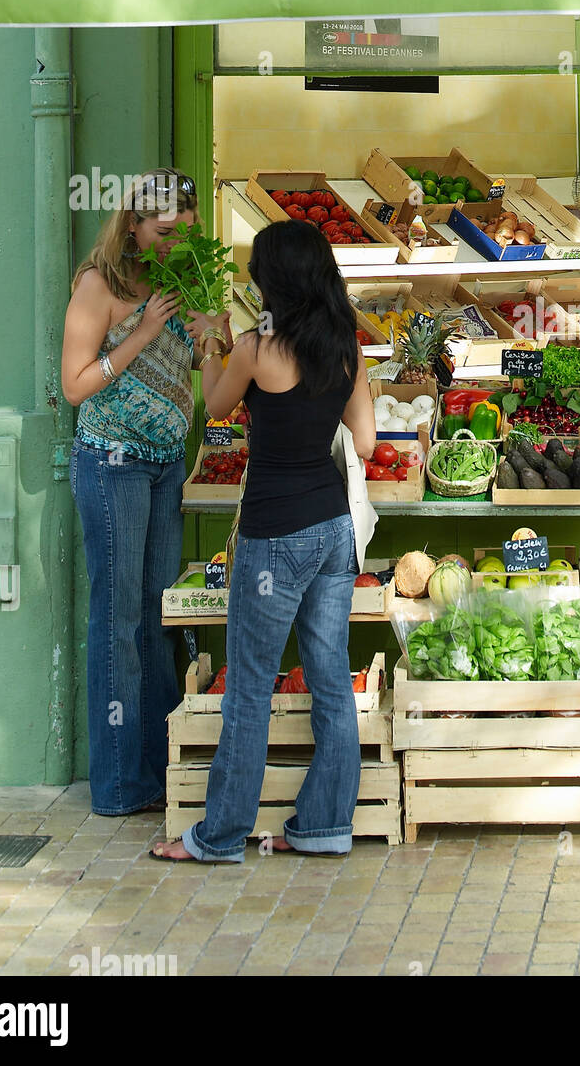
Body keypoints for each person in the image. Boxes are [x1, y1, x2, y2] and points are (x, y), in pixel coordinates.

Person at [152, 218, 376, 862]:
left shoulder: (255, 346)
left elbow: (218, 406)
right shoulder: (346, 345)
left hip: (274, 534)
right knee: (332, 681)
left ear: (274, 280)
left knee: (250, 685)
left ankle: (219, 835)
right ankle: (326, 826)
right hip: (335, 531)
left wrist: (207, 348)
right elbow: (362, 443)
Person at [62, 168, 226, 817]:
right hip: (112, 465)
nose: (177, 242)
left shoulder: (181, 281)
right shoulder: (97, 285)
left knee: (162, 617)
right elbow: (76, 385)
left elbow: (203, 375)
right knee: (118, 622)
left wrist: (210, 329)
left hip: (165, 467)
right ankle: (119, 786)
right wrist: (140, 333)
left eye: (188, 231)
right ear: (133, 226)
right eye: (165, 232)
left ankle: (166, 775)